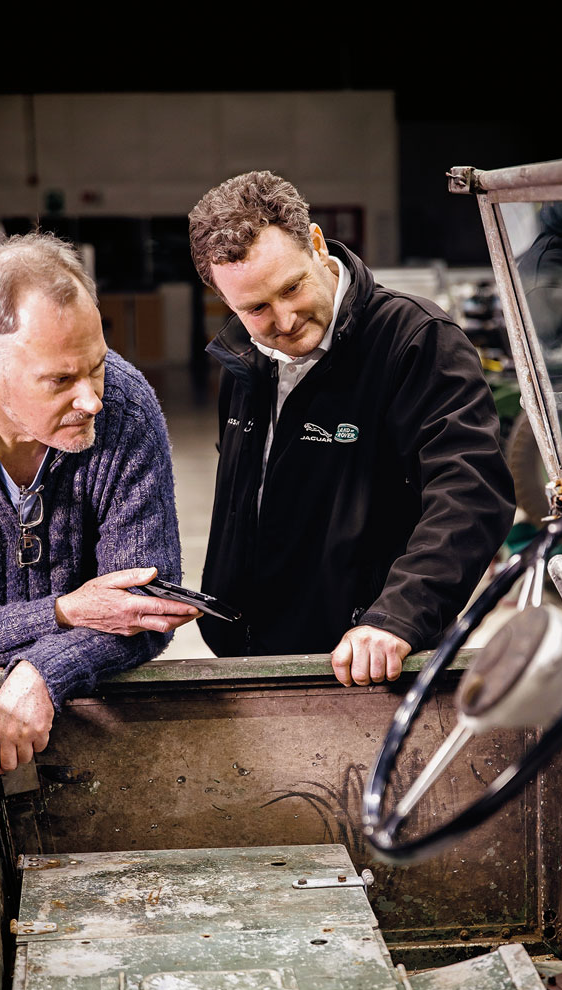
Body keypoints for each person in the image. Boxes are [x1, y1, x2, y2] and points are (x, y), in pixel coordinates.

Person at [187, 171, 515, 687]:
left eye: (291, 287)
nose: (286, 319)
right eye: (256, 308)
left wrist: (398, 617)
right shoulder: (244, 362)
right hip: (249, 658)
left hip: (365, 664)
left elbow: (470, 494)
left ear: (316, 244)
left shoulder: (414, 342)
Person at [0, 232, 200, 775]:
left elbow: (143, 611)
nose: (92, 398)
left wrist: (44, 670)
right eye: (61, 379)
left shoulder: (125, 406)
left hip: (76, 725)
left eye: (95, 363)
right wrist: (63, 612)